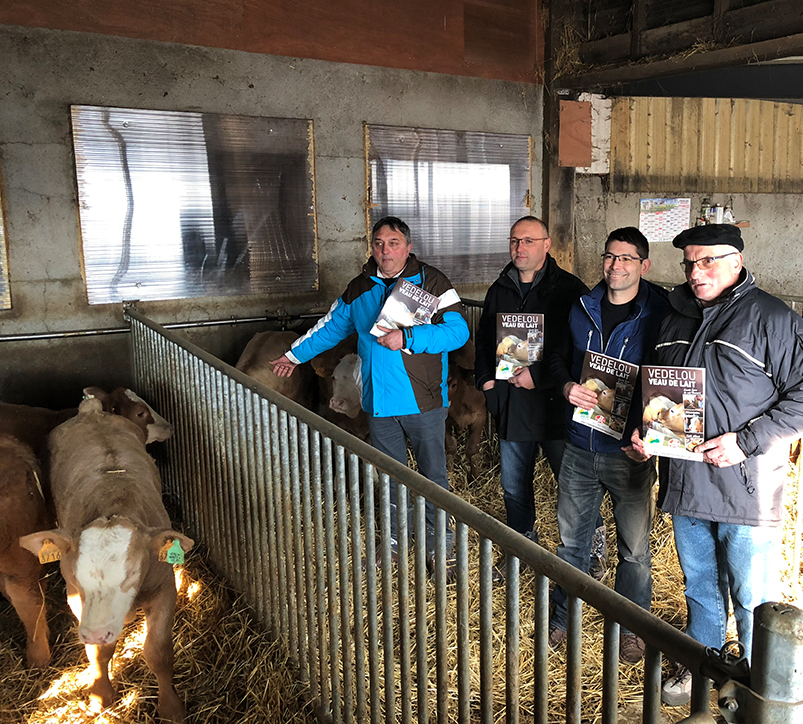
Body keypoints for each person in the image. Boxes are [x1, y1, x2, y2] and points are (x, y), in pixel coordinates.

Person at [629, 223, 803, 705]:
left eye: (708, 262)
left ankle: (765, 685)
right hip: (685, 481)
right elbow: (666, 392)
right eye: (689, 263)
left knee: (751, 595)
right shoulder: (674, 317)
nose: (696, 273)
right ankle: (703, 666)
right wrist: (651, 433)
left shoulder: (772, 318)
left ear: (737, 261)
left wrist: (747, 441)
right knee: (699, 587)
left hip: (745, 484)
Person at [270, 216, 469, 577]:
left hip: (422, 400)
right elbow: (331, 326)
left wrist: (409, 339)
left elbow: (457, 332)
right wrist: (293, 355)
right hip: (378, 402)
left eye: (393, 243)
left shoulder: (432, 281)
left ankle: (440, 543)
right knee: (391, 476)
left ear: (408, 248)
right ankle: (393, 542)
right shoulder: (359, 287)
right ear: (372, 247)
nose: (385, 250)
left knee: (432, 476)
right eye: (379, 243)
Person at [546, 226, 670, 664]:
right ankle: (564, 616)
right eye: (610, 257)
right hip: (580, 443)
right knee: (571, 542)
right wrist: (565, 387)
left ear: (644, 265)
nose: (616, 266)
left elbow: (671, 376)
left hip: (629, 450)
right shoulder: (582, 307)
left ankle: (633, 628)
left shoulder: (662, 311)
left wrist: (653, 435)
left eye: (627, 259)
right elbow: (558, 356)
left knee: (634, 550)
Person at [475, 216, 603, 580]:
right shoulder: (500, 288)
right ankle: (520, 550)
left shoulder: (570, 290)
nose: (520, 248)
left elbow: (582, 352)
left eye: (529, 241)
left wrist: (541, 376)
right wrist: (486, 381)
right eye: (515, 240)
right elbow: (485, 337)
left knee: (573, 484)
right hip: (512, 405)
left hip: (556, 407)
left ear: (547, 245)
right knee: (514, 486)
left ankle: (592, 548)